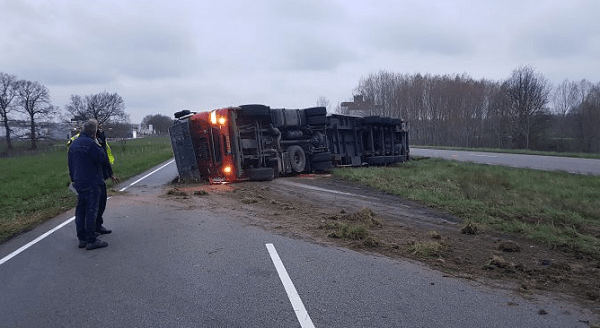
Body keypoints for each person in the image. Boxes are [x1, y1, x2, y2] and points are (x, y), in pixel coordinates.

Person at [68, 119, 109, 250]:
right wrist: (100, 143)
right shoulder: (91, 144)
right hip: (92, 181)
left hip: (78, 181)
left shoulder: (73, 144)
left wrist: (73, 179)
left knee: (80, 210)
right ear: (94, 131)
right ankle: (91, 240)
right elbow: (101, 158)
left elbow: (70, 164)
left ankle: (82, 238)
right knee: (91, 211)